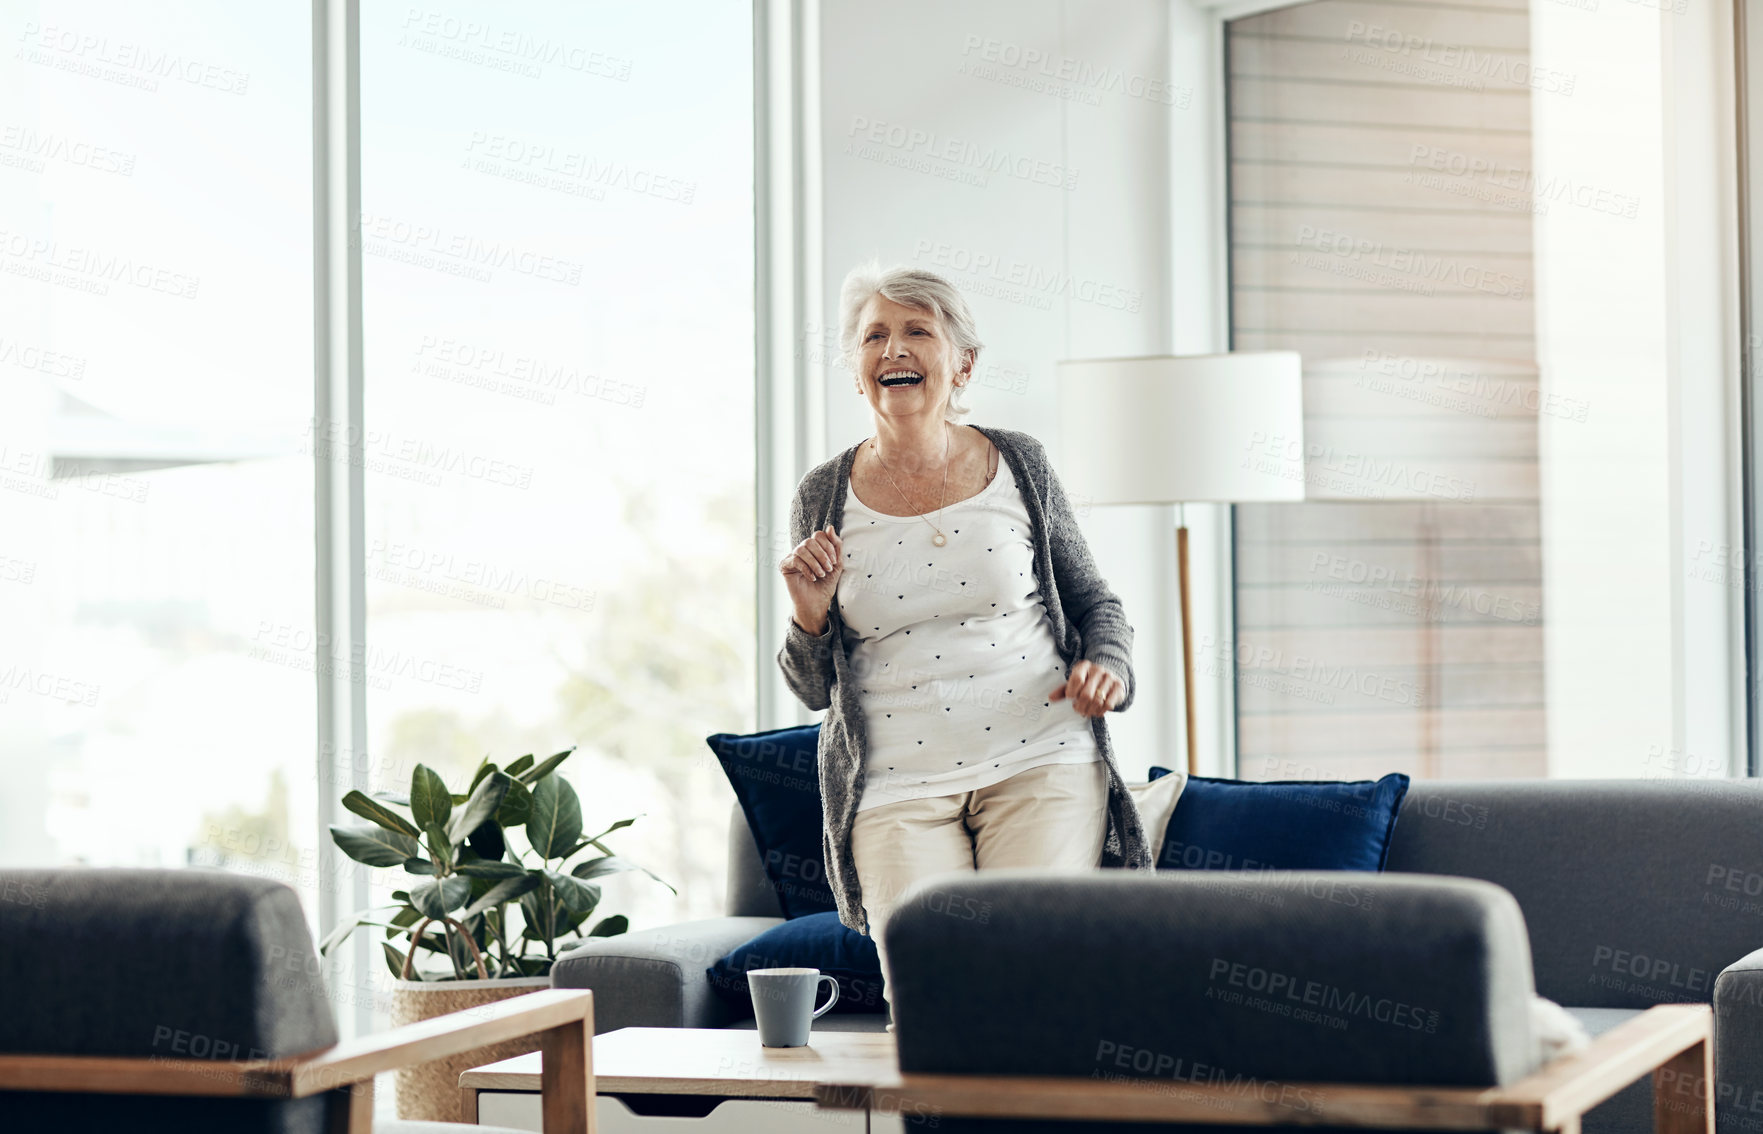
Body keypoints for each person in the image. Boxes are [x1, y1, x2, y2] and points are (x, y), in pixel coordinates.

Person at [775, 262, 1153, 1017]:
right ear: (857, 371)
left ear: (962, 364)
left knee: (1034, 984)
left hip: (1041, 759)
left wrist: (1105, 665)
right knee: (930, 1002)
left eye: (917, 331)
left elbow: (1095, 602)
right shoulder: (821, 494)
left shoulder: (1019, 462)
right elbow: (813, 688)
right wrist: (807, 613)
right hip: (894, 787)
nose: (894, 348)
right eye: (874, 335)